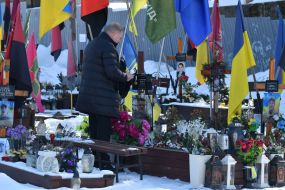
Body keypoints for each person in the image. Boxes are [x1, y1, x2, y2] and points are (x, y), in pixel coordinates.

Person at [76, 23, 133, 169]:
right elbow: (111, 72)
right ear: (113, 33)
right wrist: (126, 76)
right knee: (102, 134)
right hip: (102, 99)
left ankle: (95, 161)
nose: (120, 40)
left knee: (95, 134)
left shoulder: (93, 44)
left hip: (91, 97)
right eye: (120, 36)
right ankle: (105, 165)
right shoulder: (108, 46)